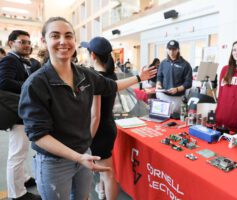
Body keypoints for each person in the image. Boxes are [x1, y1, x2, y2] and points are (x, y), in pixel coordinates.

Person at [18, 17, 156, 200]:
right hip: (55, 162)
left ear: (74, 41)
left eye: (68, 35)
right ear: (44, 41)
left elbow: (111, 86)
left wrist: (139, 78)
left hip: (84, 154)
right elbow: (38, 135)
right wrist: (77, 157)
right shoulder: (36, 84)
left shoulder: (84, 75)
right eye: (55, 35)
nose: (63, 41)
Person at [0, 30, 41, 200]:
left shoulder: (26, 61)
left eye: (28, 42)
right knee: (17, 152)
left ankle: (23, 178)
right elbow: (4, 82)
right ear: (11, 43)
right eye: (22, 42)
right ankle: (17, 194)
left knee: (21, 150)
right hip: (16, 111)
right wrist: (30, 84)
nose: (27, 45)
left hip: (24, 110)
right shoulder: (10, 59)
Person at [81, 36, 119, 200]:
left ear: (93, 55)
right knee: (105, 172)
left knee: (106, 174)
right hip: (108, 125)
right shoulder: (111, 76)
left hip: (98, 130)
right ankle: (102, 193)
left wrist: (87, 140)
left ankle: (104, 194)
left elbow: (95, 116)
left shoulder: (95, 78)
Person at [156, 40, 193, 113]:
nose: (171, 52)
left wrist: (177, 89)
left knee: (176, 121)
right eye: (169, 49)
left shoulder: (185, 64)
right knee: (162, 119)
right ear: (167, 50)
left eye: (174, 49)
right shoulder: (163, 63)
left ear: (178, 50)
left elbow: (188, 83)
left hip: (177, 98)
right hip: (164, 96)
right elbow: (159, 76)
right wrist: (158, 84)